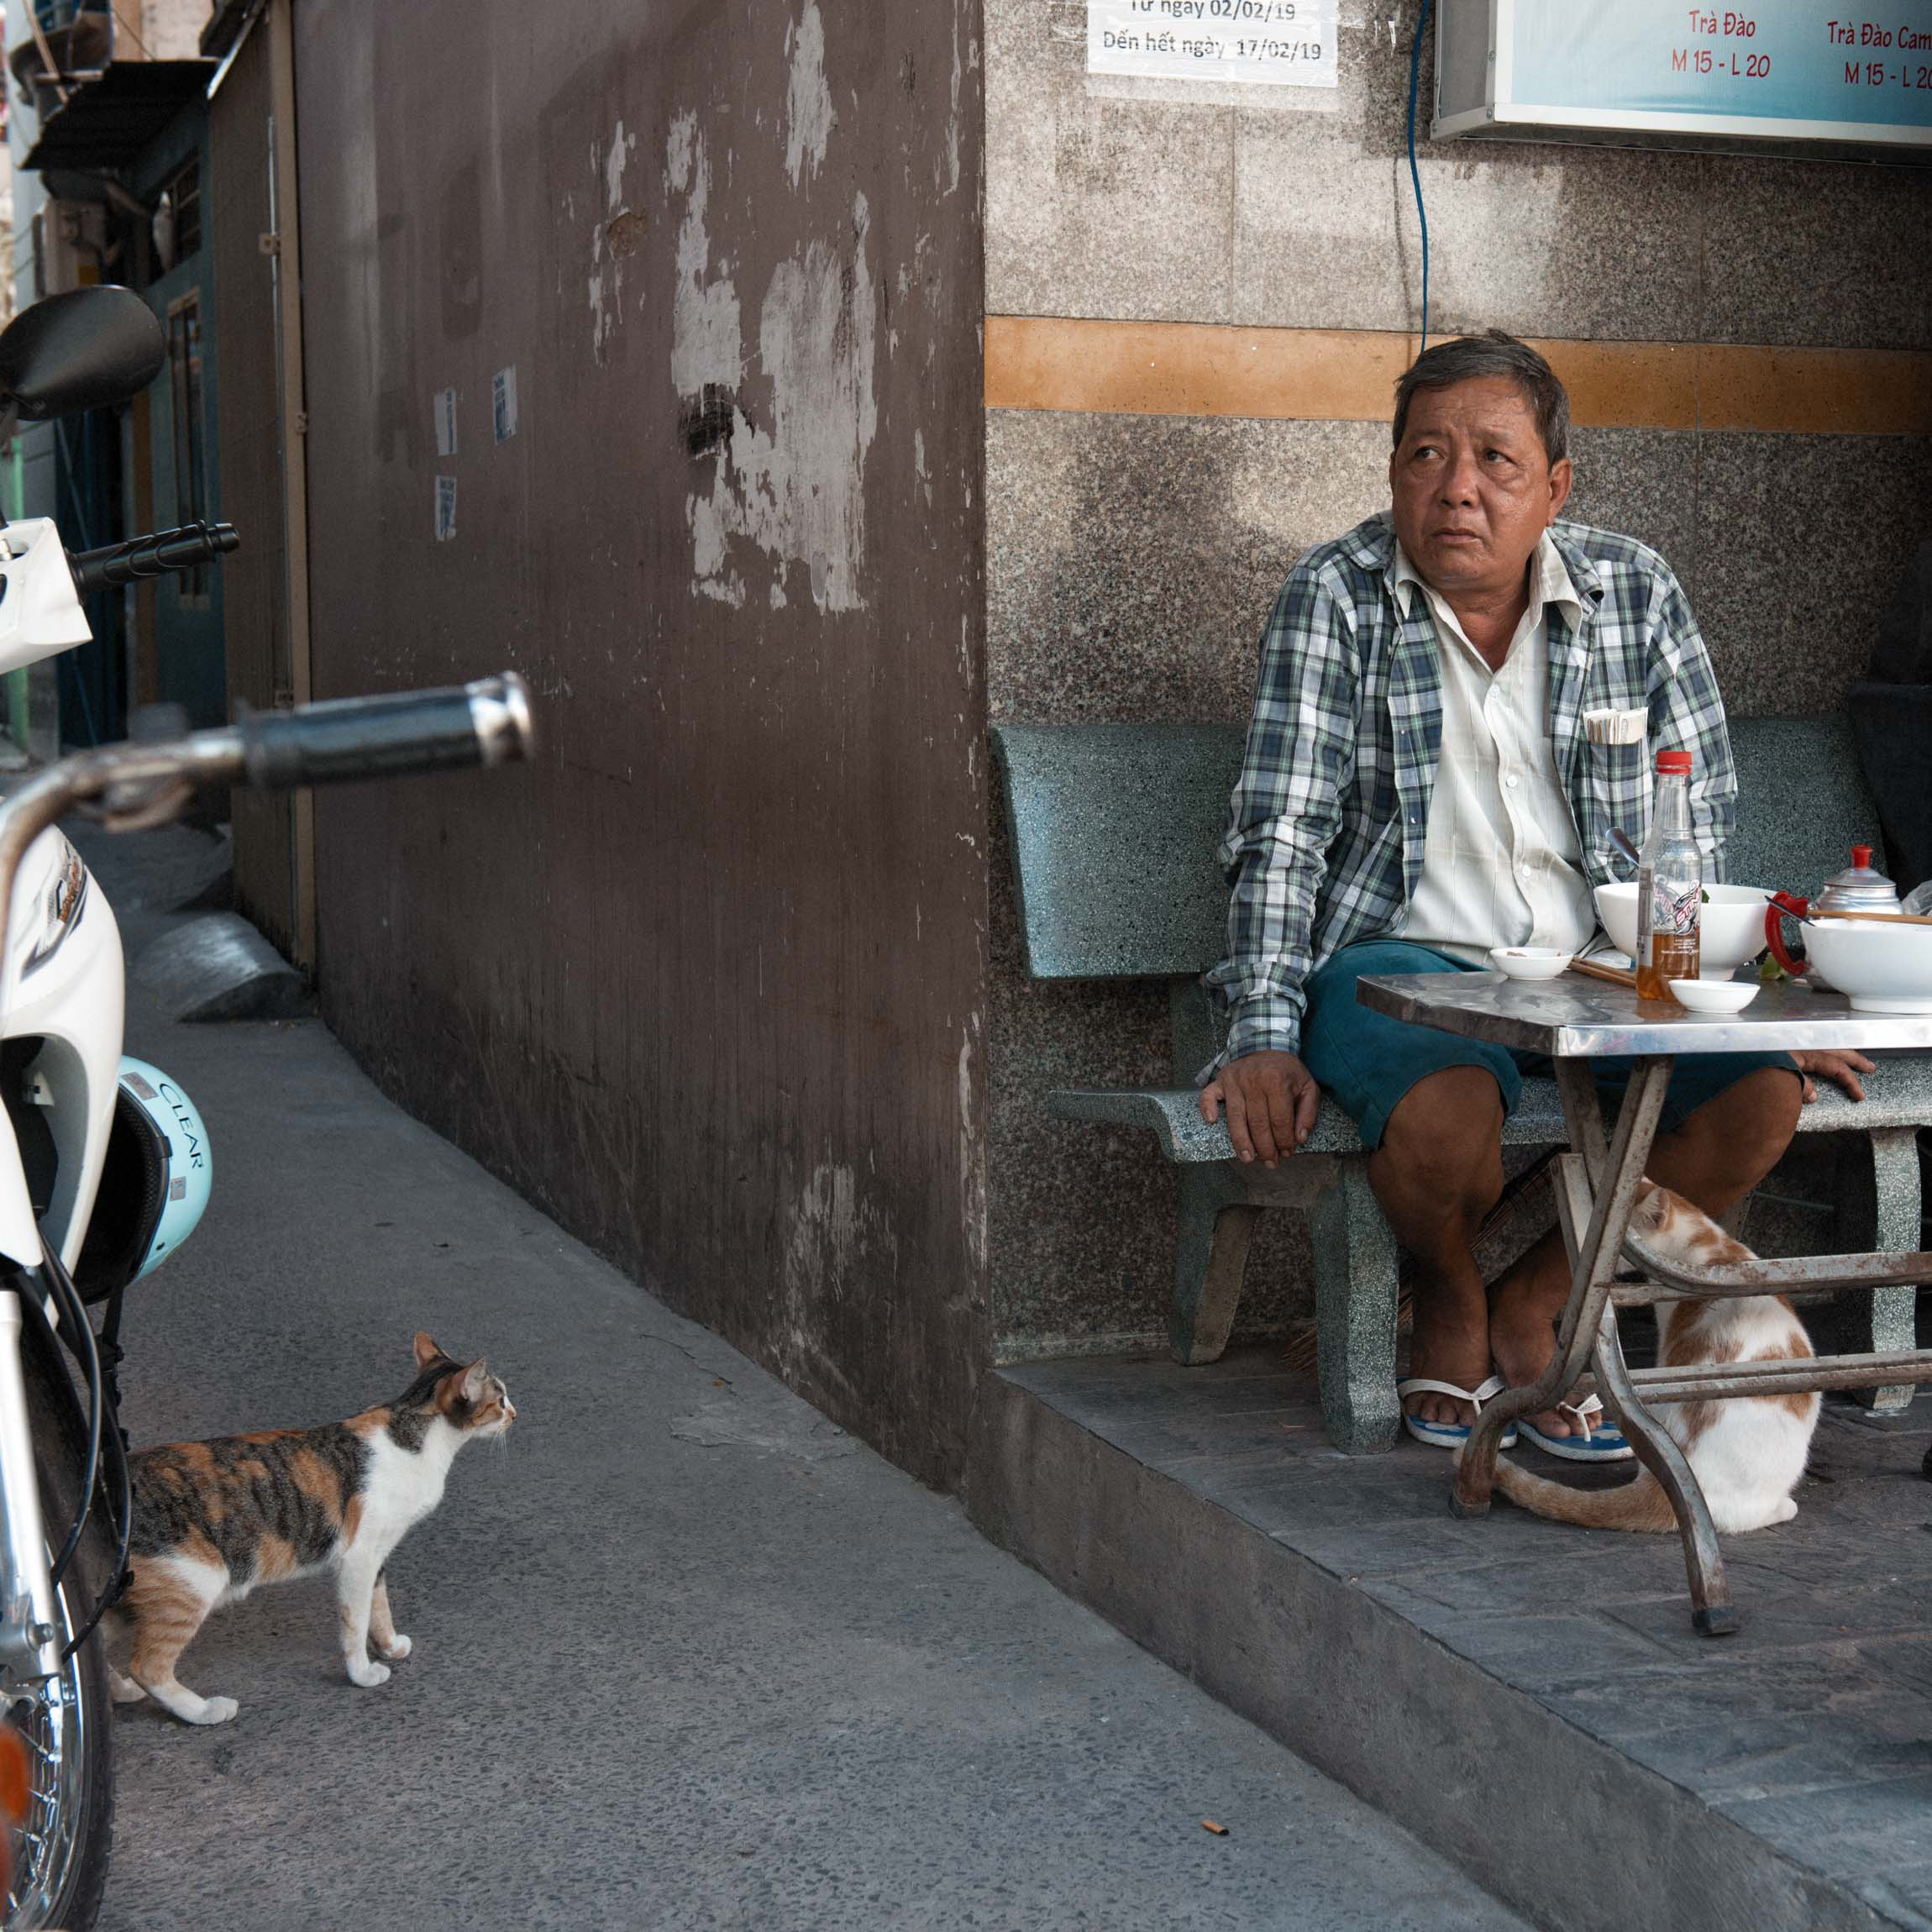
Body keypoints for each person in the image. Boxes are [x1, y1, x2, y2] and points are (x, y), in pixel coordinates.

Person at [1198, 330, 1869, 1458]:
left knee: (1757, 1099)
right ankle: (1454, 1298)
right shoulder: (1339, 595)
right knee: (1443, 1110)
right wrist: (1261, 1033)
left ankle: (1546, 1297)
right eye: (1425, 455)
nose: (1456, 487)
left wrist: (1745, 1000)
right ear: (1394, 471)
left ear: (1556, 485)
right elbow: (1283, 829)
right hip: (1398, 963)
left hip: (1603, 972)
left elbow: (1690, 827)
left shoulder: (1635, 592)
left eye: (1496, 460)